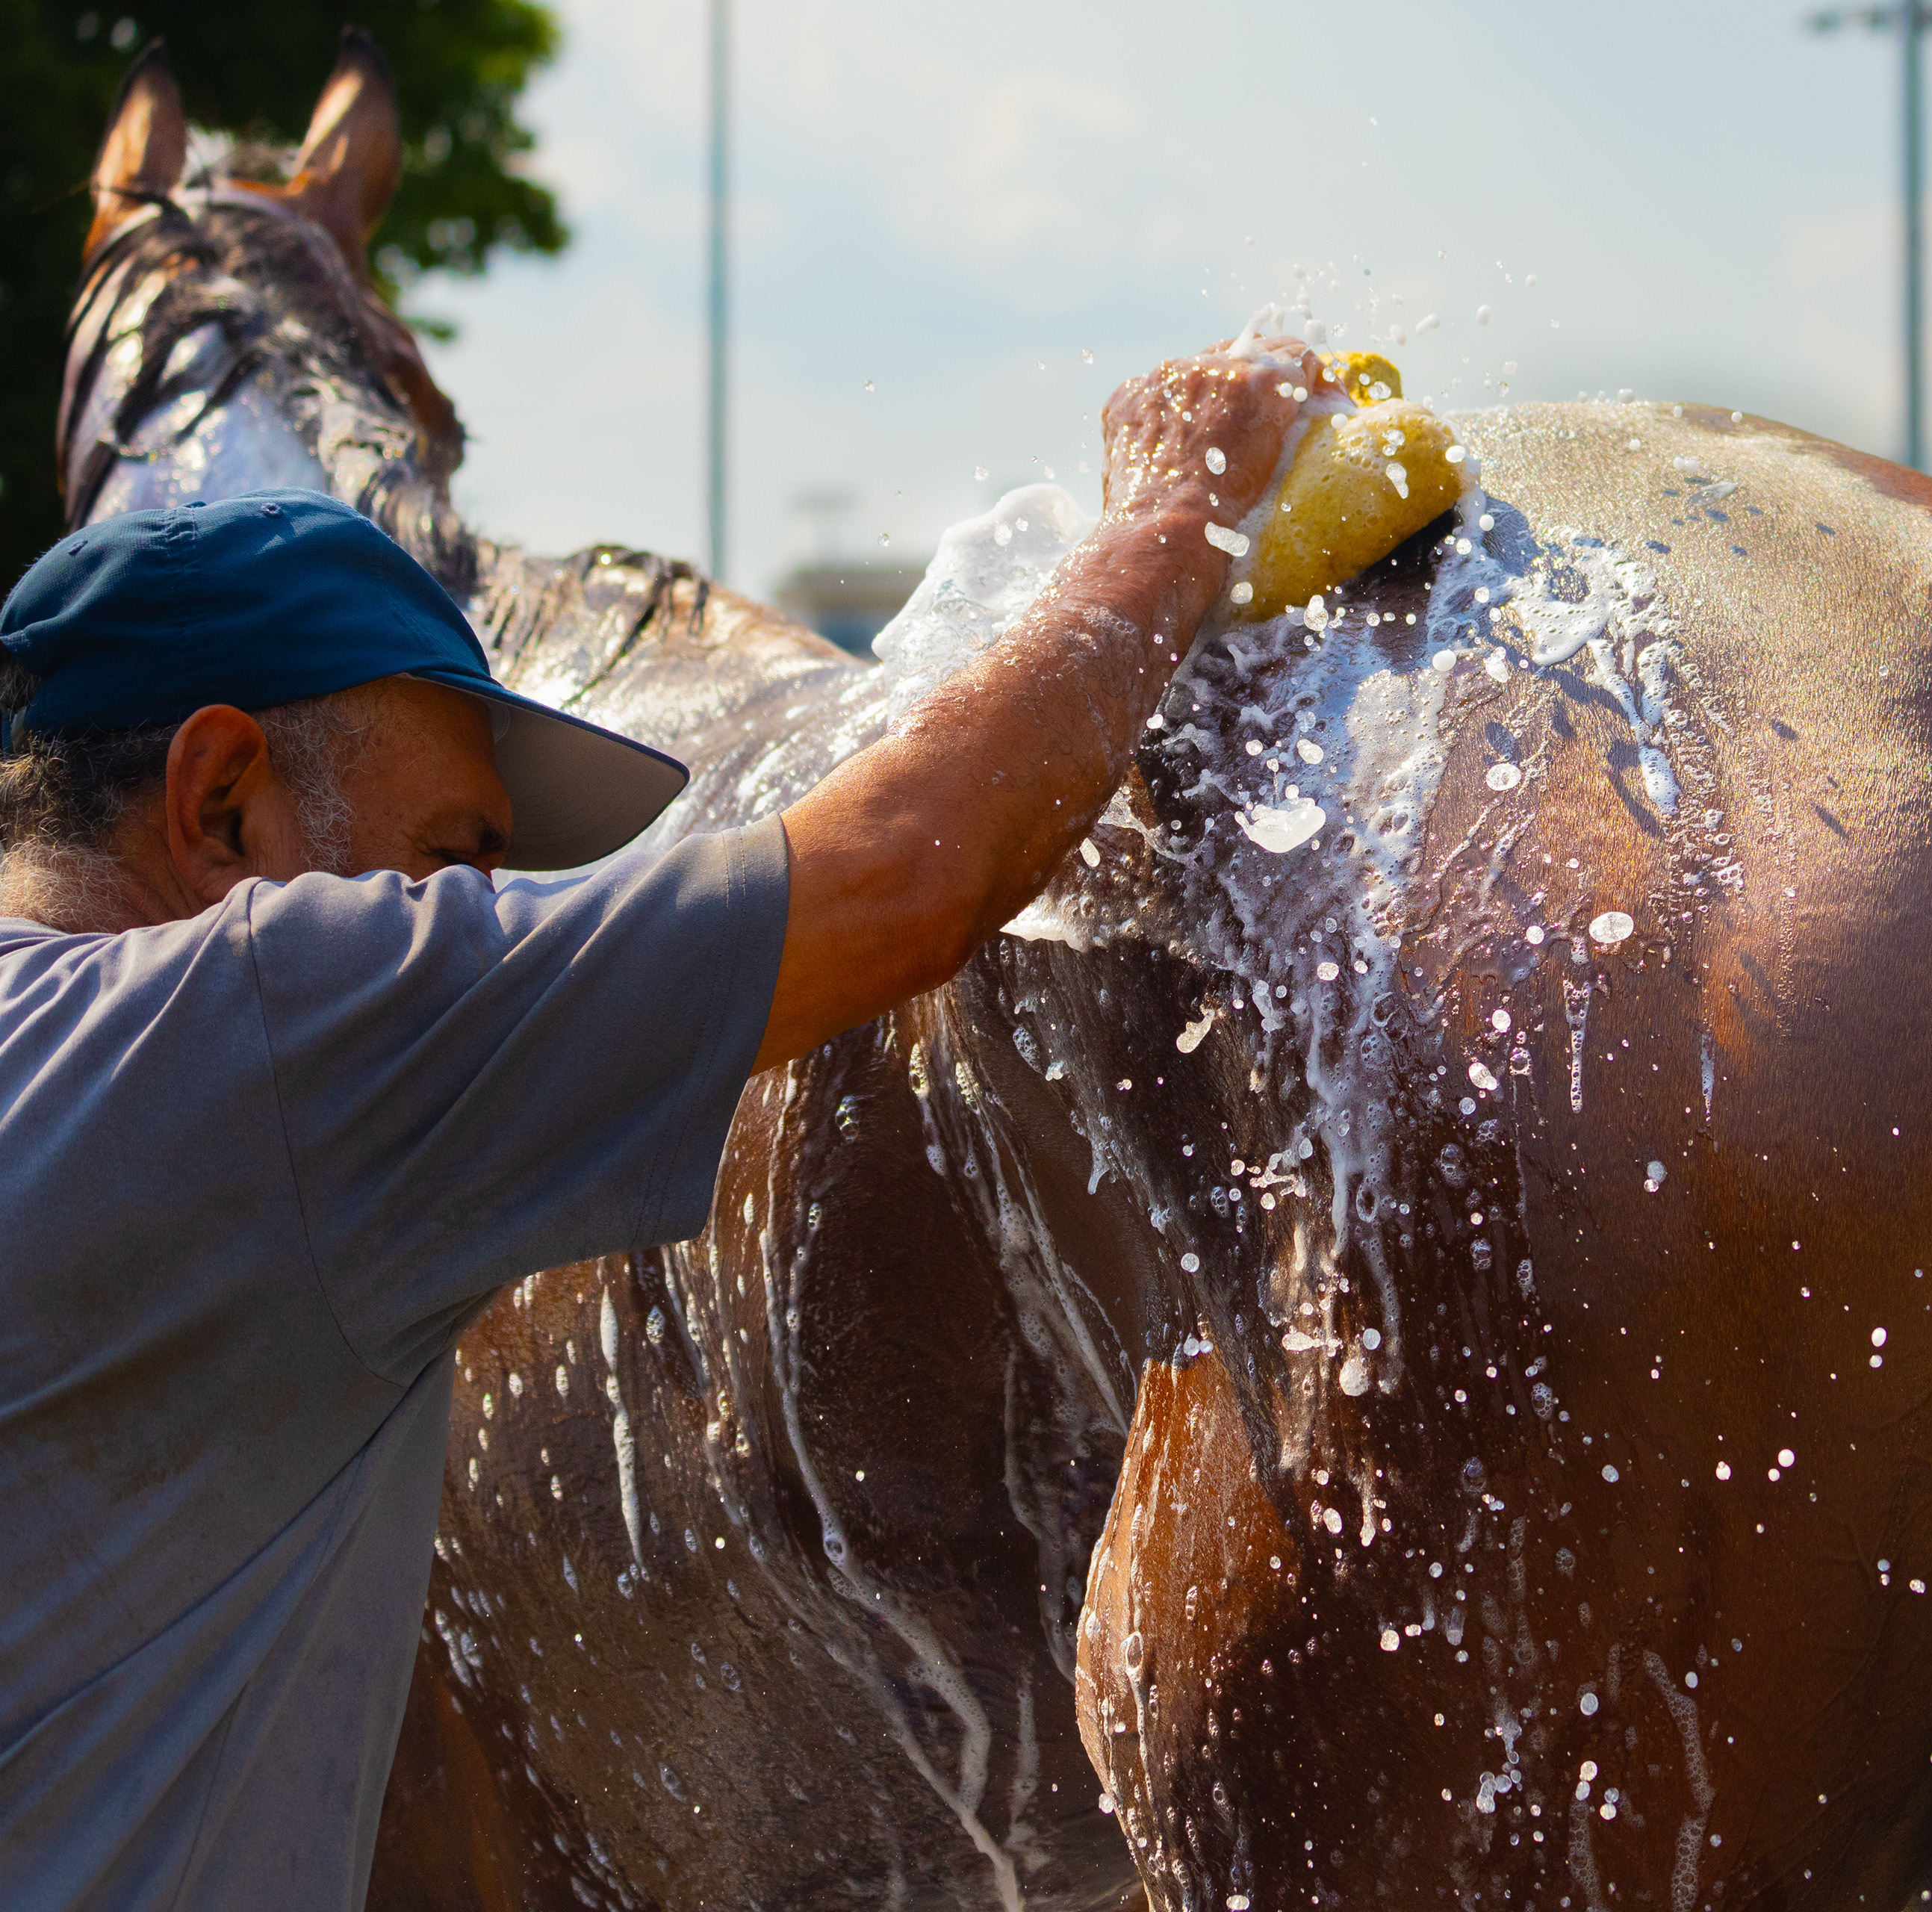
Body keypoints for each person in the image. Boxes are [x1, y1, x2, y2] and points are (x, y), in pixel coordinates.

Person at [0, 339, 1311, 1910]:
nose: (473, 918)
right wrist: (1182, 510)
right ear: (221, 797)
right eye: (445, 857)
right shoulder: (267, 1036)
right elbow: (905, 869)